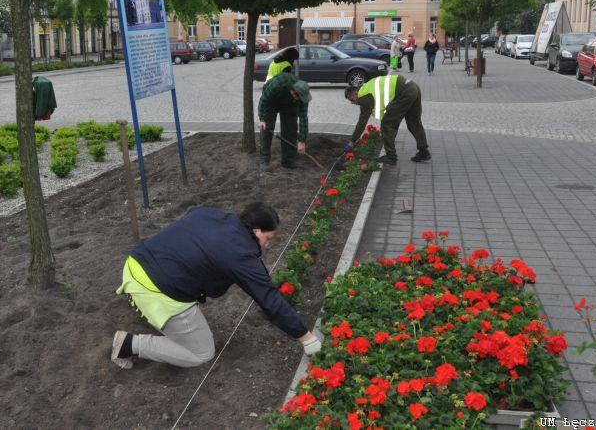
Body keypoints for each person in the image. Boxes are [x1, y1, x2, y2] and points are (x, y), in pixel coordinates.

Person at [111, 202, 322, 369]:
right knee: (201, 354)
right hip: (156, 290)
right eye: (268, 238)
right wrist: (306, 337)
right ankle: (129, 345)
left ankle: (146, 305)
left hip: (136, 262)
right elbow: (269, 299)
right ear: (256, 231)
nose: (267, 245)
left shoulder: (209, 214)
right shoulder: (240, 255)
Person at [344, 71, 430, 166]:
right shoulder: (366, 88)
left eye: (351, 99)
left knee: (387, 125)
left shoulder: (364, 96)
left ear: (355, 93)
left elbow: (362, 122)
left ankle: (391, 156)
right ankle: (424, 151)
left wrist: (351, 142)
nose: (352, 103)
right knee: (414, 123)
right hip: (412, 86)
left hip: (404, 92)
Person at [257, 73, 311, 171]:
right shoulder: (279, 83)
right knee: (266, 129)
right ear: (293, 92)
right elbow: (264, 100)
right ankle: (264, 161)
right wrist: (262, 119)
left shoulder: (302, 96)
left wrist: (302, 140)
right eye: (299, 98)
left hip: (289, 105)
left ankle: (288, 161)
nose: (302, 101)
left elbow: (303, 117)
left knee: (290, 131)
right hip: (271, 101)